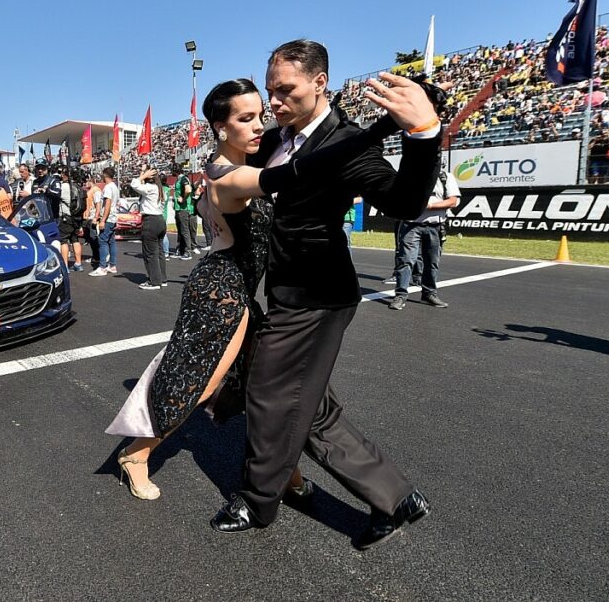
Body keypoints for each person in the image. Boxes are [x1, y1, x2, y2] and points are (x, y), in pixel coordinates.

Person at [210, 41, 442, 551]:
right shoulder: (278, 139)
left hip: (318, 294)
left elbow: (404, 200)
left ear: (320, 83)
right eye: (270, 91)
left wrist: (425, 136)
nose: (274, 101)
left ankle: (256, 500)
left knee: (269, 396)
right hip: (287, 290)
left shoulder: (349, 141)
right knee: (308, 407)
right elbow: (237, 166)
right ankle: (396, 498)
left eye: (285, 90)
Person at [389, 169, 461, 310]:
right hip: (411, 225)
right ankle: (400, 295)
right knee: (405, 260)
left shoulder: (445, 177)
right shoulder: (408, 175)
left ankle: (429, 294)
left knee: (432, 262)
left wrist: (429, 206)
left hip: (436, 226)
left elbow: (453, 201)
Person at [130, 165, 167, 289]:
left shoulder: (150, 188)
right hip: (160, 220)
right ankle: (162, 278)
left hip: (150, 220)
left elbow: (134, 184)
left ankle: (154, 281)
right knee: (159, 252)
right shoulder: (160, 189)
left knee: (150, 253)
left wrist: (143, 176)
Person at [89, 167, 119, 276]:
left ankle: (102, 267)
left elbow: (107, 205)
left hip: (108, 218)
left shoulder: (108, 188)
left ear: (105, 175)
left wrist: (103, 220)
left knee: (102, 241)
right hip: (113, 218)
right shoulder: (115, 187)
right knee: (111, 241)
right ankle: (112, 265)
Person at [56, 165, 85, 271]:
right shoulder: (78, 187)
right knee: (75, 239)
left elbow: (55, 197)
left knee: (63, 241)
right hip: (76, 217)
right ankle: (78, 263)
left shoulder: (63, 187)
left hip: (66, 217)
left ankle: (65, 266)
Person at [171, 163, 196, 259]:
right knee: (181, 230)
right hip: (179, 208)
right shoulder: (180, 179)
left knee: (184, 230)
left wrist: (183, 199)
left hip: (183, 209)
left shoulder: (183, 179)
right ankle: (181, 250)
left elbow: (188, 189)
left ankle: (187, 251)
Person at [83, 175, 103, 269]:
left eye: (86, 181)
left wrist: (96, 217)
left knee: (94, 238)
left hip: (93, 217)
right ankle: (95, 256)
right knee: (89, 238)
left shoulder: (96, 190)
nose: (85, 184)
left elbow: (98, 204)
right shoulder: (90, 190)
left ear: (90, 181)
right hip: (88, 217)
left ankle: (98, 257)